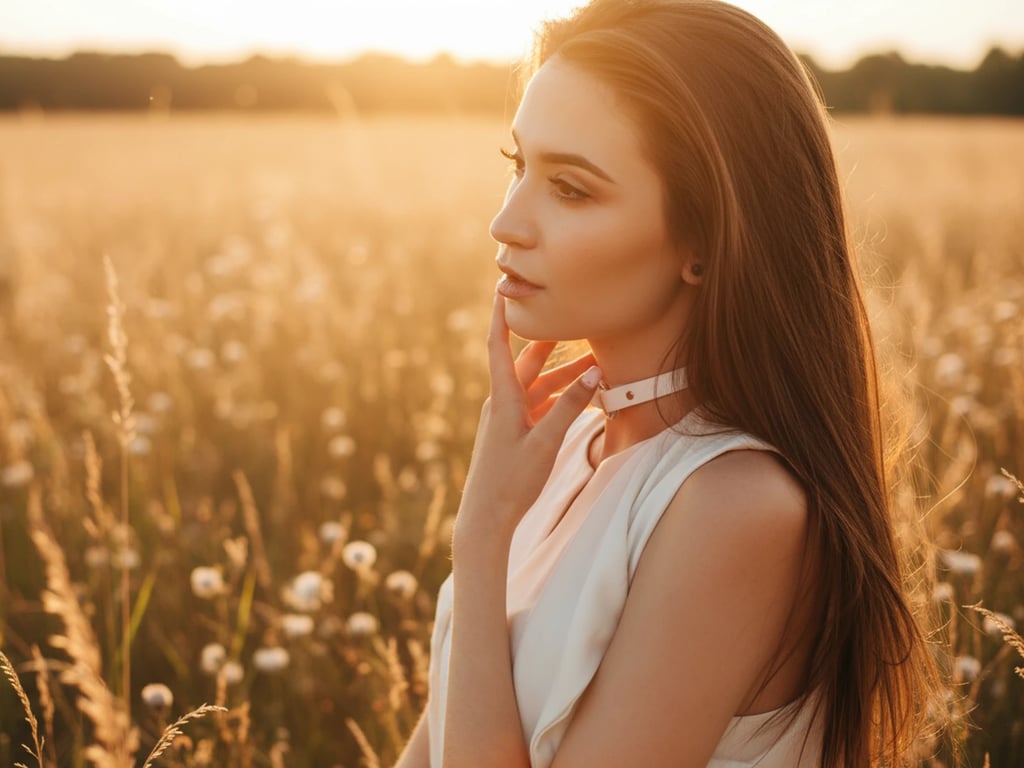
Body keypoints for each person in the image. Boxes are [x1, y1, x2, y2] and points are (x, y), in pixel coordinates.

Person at [394, 0, 942, 765]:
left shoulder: (736, 506)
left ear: (704, 241)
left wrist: (482, 538)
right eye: (519, 166)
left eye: (572, 188)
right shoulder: (564, 447)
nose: (506, 222)